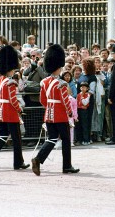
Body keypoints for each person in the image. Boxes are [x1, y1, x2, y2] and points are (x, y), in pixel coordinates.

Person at [31, 44, 79, 176]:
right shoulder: (61, 84)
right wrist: (70, 113)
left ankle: (38, 158)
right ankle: (67, 166)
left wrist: (50, 108)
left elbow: (42, 100)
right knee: (66, 140)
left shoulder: (45, 82)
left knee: (52, 138)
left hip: (49, 113)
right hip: (60, 114)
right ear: (59, 66)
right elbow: (65, 100)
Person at [0, 46, 30, 171]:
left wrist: (1, 106)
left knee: (3, 135)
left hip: (0, 111)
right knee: (17, 139)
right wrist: (19, 109)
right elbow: (13, 100)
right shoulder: (11, 82)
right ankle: (18, 163)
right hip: (10, 113)